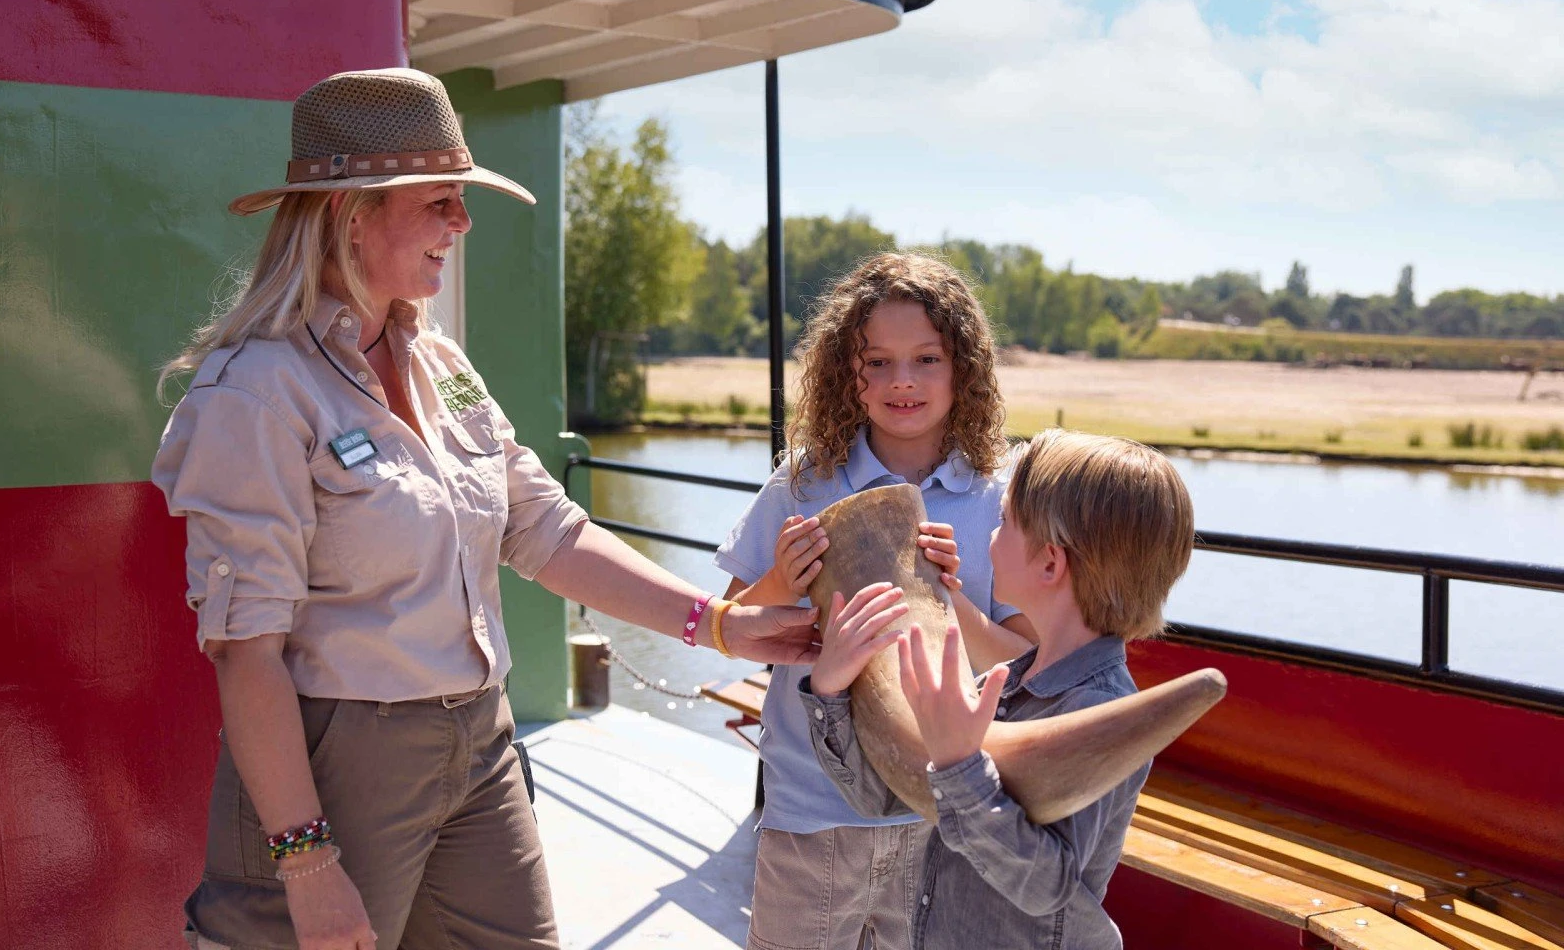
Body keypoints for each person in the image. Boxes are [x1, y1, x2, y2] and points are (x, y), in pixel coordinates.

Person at [151, 67, 818, 950]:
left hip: (480, 740)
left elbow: (546, 529)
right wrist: (307, 863)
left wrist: (721, 623)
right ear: (355, 214)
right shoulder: (259, 393)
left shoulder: (443, 367)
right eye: (440, 201)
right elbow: (247, 653)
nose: (461, 223)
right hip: (336, 760)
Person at [715, 253, 1033, 950]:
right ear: (845, 372)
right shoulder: (803, 483)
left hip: (944, 823)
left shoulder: (998, 500)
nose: (903, 382)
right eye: (878, 362)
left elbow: (1025, 664)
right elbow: (732, 622)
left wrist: (955, 603)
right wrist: (780, 584)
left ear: (964, 368)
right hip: (811, 812)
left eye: (926, 358)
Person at [801, 428, 1196, 950]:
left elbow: (1044, 887)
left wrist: (961, 765)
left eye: (1005, 521)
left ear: (1051, 564)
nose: (989, 534)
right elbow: (883, 799)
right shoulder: (997, 684)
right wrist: (829, 690)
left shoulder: (1099, 710)